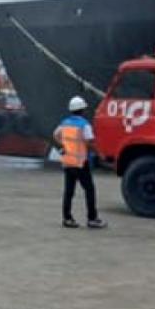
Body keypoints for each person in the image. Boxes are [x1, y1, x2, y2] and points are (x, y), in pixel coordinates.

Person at [53, 96, 106, 229]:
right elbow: (89, 141)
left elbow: (55, 135)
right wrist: (99, 153)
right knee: (89, 190)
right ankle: (92, 219)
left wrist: (63, 145)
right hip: (81, 162)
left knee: (69, 191)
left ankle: (67, 218)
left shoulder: (64, 123)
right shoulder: (84, 124)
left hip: (68, 161)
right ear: (82, 110)